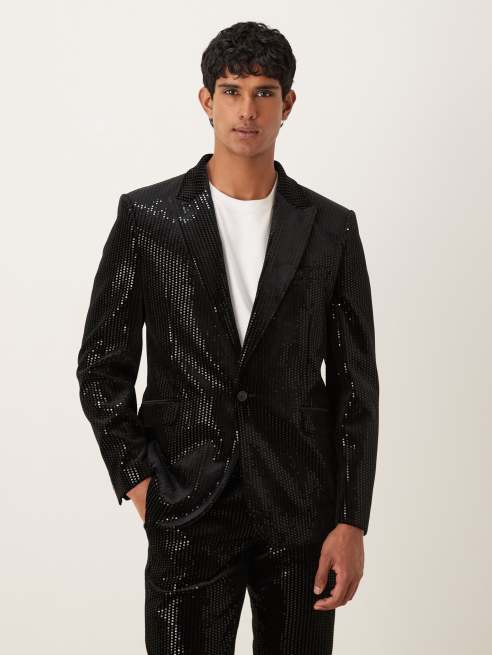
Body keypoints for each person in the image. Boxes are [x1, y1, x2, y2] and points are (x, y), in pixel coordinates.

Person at [76, 20, 379, 655]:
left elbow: (356, 386)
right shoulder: (149, 219)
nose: (247, 110)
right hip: (186, 502)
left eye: (264, 92)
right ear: (206, 100)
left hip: (300, 510)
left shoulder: (331, 228)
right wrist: (141, 483)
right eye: (232, 91)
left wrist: (351, 519)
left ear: (287, 104)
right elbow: (101, 366)